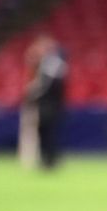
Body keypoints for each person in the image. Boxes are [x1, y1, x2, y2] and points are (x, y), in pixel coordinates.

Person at [23, 34, 68, 169]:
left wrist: (32, 95)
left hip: (50, 105)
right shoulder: (46, 63)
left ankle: (50, 160)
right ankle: (46, 160)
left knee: (49, 133)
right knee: (45, 133)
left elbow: (46, 86)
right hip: (48, 104)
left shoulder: (53, 64)